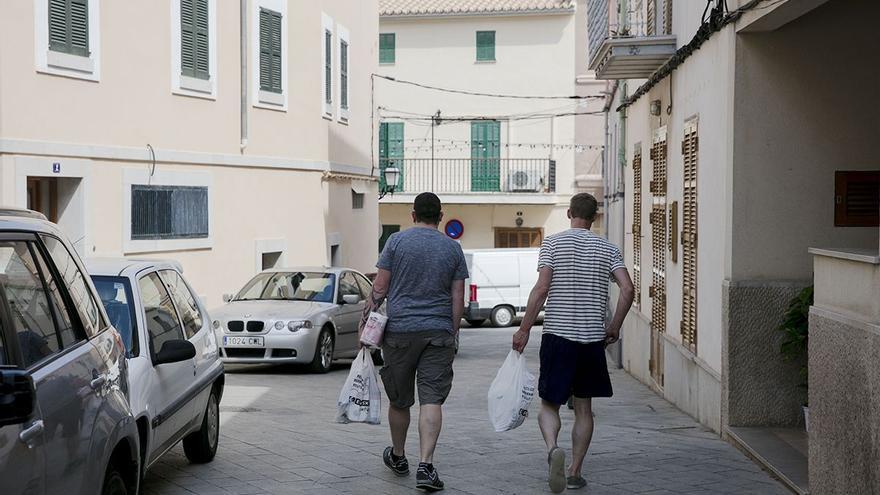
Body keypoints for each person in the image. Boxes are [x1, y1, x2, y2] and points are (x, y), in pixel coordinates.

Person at [512, 193, 634, 493]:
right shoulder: (609, 249)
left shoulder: (553, 243)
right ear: (594, 217)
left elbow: (541, 289)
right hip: (592, 339)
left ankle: (553, 448)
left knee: (549, 404)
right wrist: (614, 327)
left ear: (569, 213)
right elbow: (628, 289)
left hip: (558, 336)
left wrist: (524, 329)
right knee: (584, 409)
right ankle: (575, 471)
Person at [360, 192, 468, 492]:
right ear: (441, 216)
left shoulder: (396, 243)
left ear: (413, 215)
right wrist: (453, 332)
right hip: (438, 332)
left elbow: (380, 288)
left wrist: (366, 319)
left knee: (400, 399)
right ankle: (426, 465)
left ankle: (398, 456)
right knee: (431, 399)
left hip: (400, 332)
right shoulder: (452, 249)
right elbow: (457, 298)